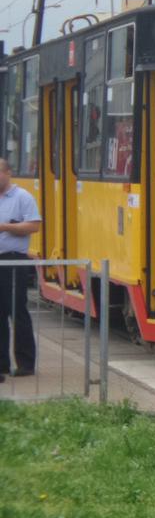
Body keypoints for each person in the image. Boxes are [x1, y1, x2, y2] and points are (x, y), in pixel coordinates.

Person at [0, 159, 41, 382]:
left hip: (13, 261)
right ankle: (2, 364)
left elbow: (34, 225)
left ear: (8, 172)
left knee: (17, 310)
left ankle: (25, 363)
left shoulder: (22, 197)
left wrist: (5, 227)